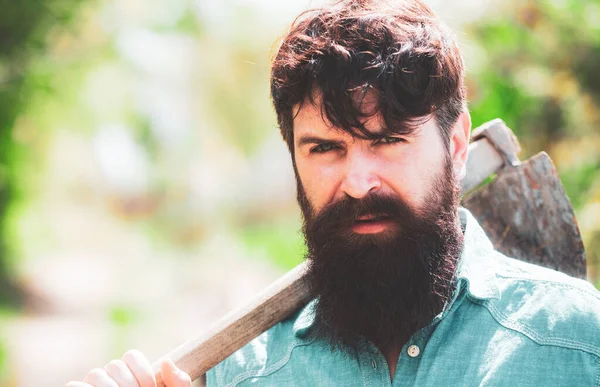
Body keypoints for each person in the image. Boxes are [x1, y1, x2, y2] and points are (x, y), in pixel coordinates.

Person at [66, 0, 600, 386]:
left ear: (457, 144)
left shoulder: (577, 346)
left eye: (389, 140)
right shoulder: (237, 374)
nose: (357, 183)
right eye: (324, 149)